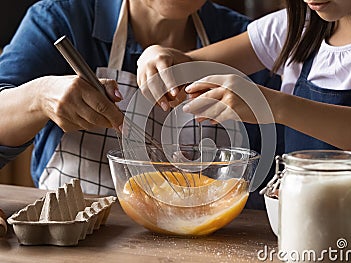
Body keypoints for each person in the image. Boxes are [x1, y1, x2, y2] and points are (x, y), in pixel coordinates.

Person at [0, 0, 281, 204]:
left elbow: (276, 170)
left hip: (208, 242)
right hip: (77, 240)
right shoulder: (62, 19)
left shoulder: (251, 43)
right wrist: (39, 97)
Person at [137, 0, 351, 188]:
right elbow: (186, 67)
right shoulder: (294, 28)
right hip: (297, 223)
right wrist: (158, 56)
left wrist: (275, 106)